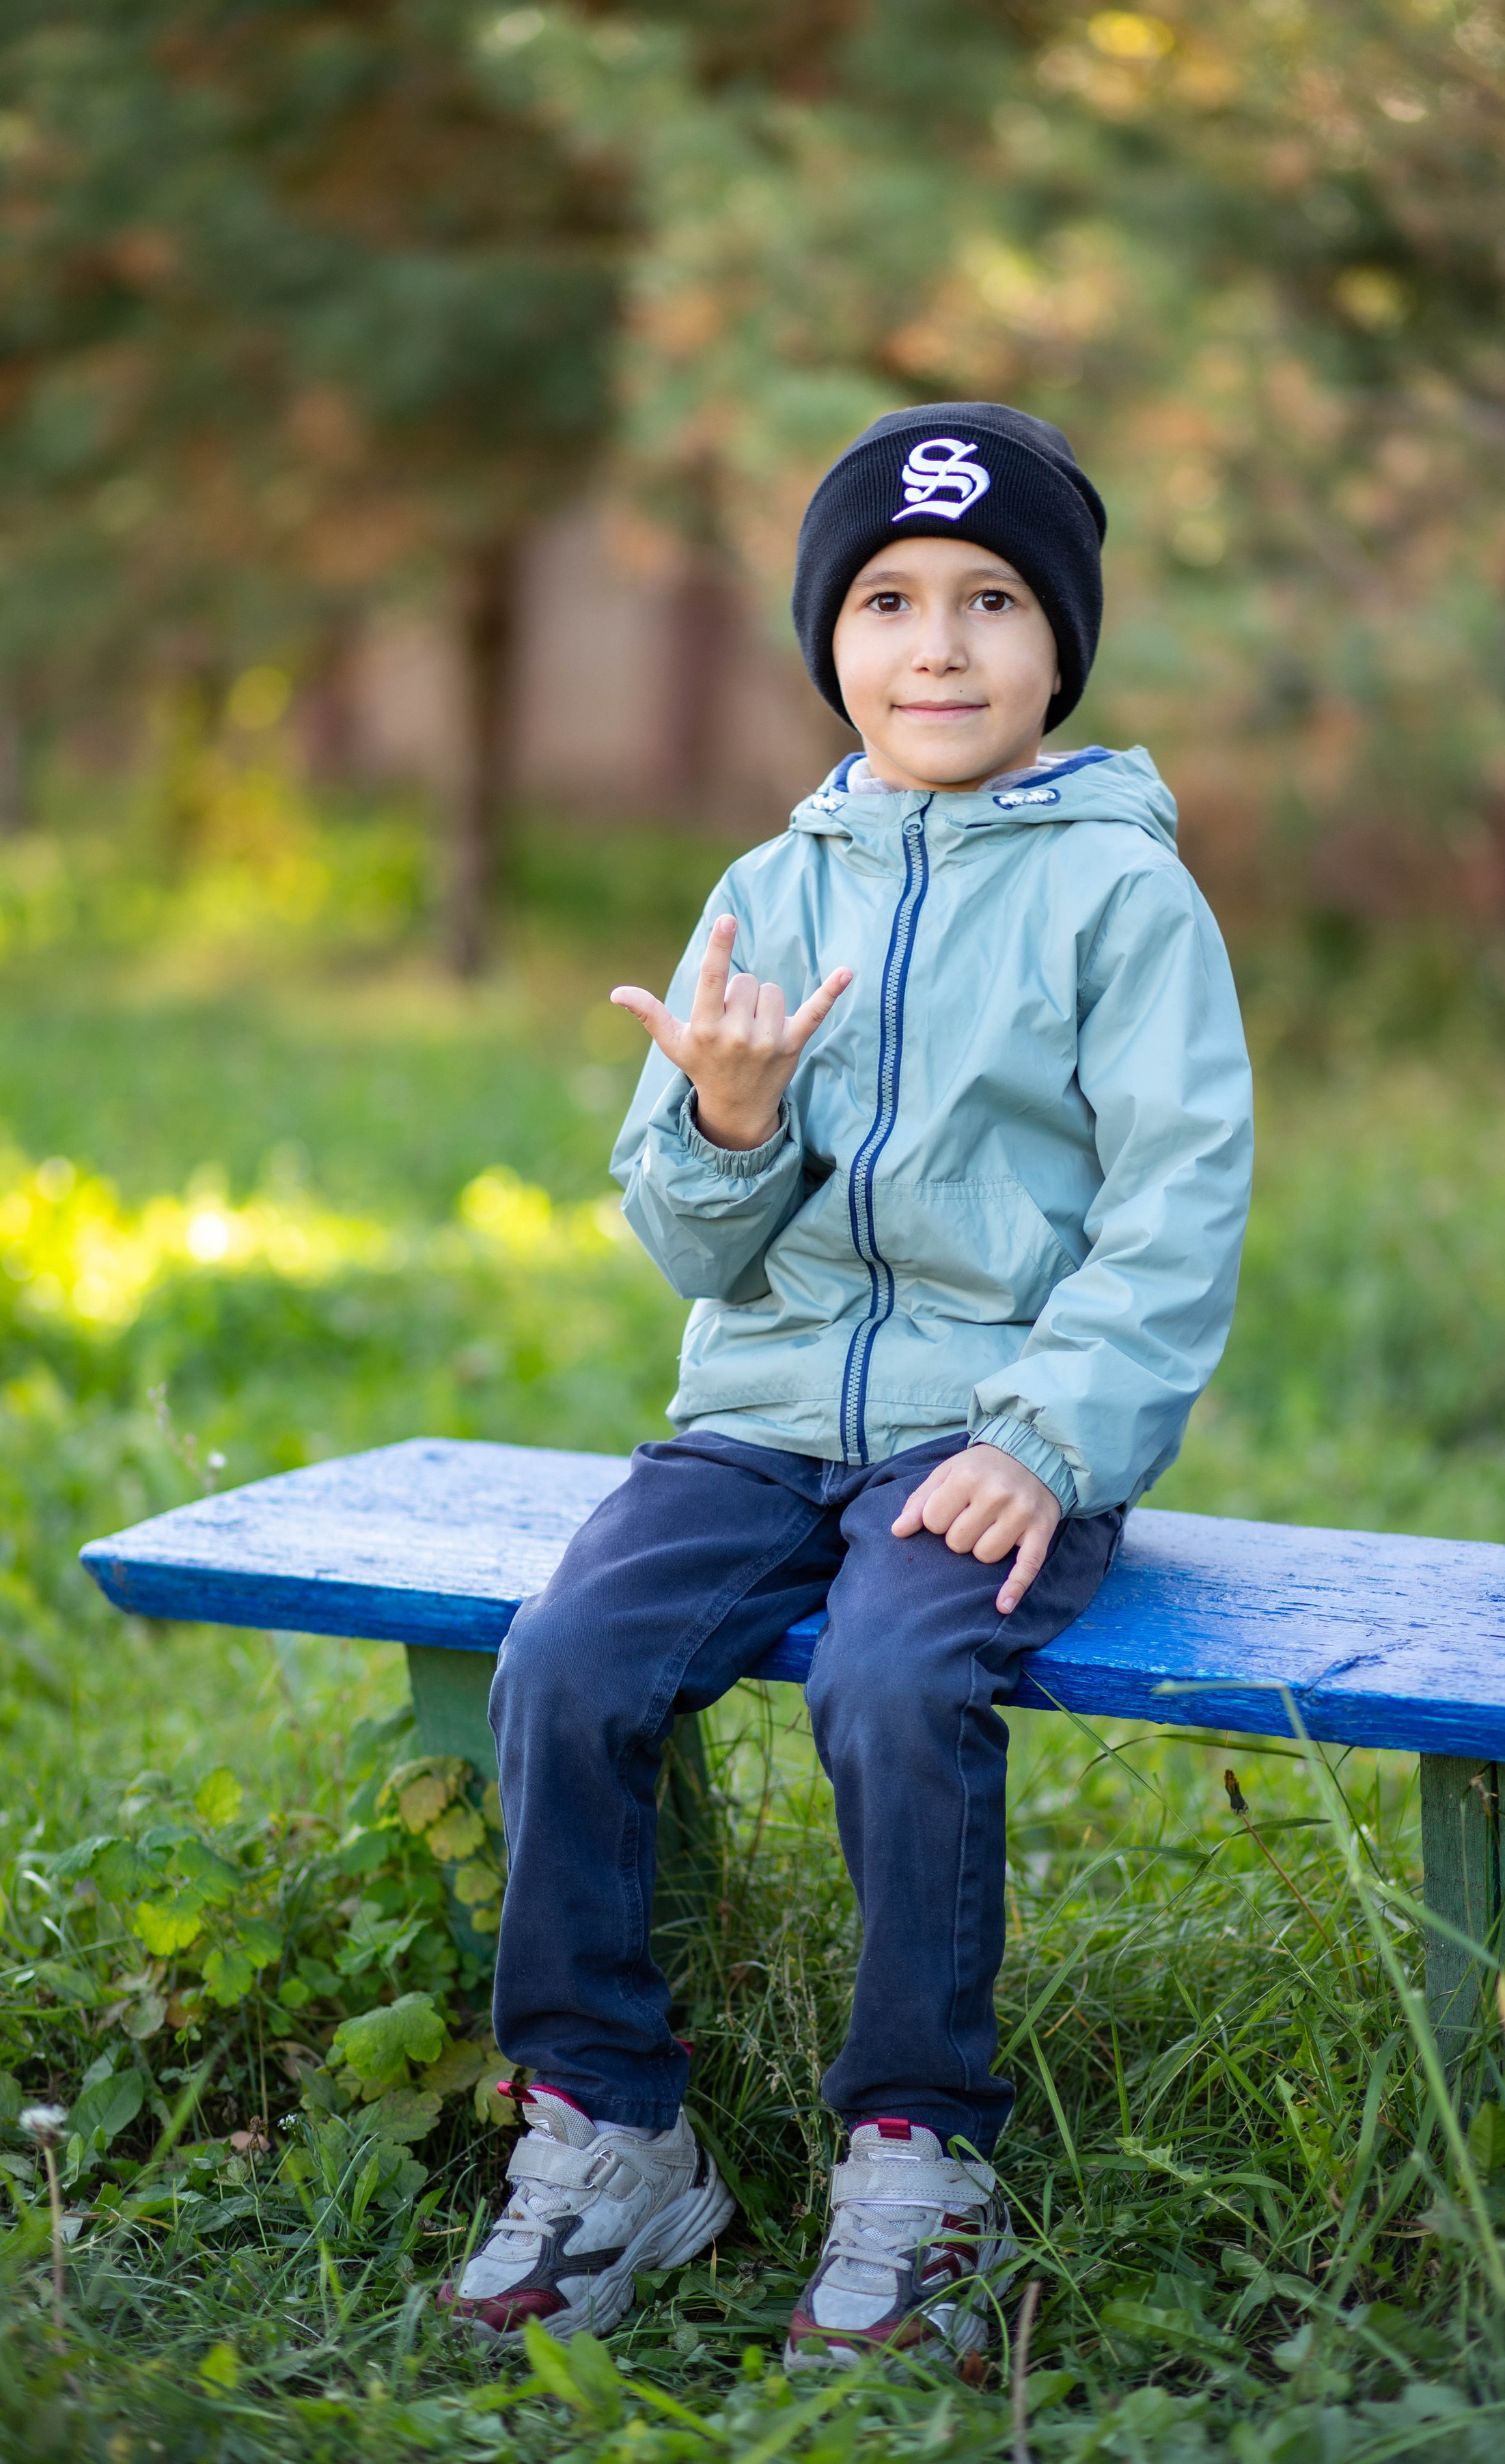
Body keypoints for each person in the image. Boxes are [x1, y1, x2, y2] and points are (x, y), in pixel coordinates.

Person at [440, 402, 1254, 2371]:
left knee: (894, 1681)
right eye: (887, 601)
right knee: (565, 1658)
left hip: (994, 1440)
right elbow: (694, 1244)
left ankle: (918, 2156)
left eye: (992, 601)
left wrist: (1047, 1441)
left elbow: (1176, 1204)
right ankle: (611, 2127)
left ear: (1061, 644)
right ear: (831, 641)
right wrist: (727, 1124)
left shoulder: (1121, 896)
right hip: (759, 1422)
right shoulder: (769, 884)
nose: (939, 646)